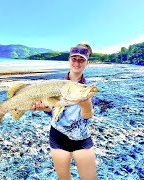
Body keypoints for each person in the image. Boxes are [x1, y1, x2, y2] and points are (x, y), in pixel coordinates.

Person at [31, 43, 97, 180]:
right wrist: (44, 108)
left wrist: (86, 106)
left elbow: (87, 117)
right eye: (74, 59)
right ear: (69, 60)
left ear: (87, 63)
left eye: (81, 60)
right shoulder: (55, 84)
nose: (77, 63)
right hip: (57, 137)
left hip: (81, 139)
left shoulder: (87, 88)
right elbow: (53, 111)